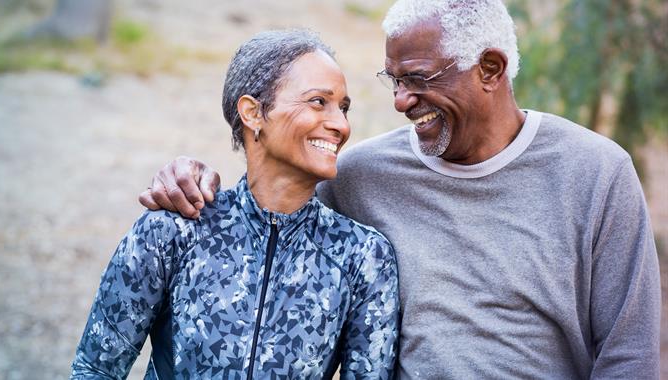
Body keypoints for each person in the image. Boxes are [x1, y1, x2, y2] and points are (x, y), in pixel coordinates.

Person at [140, 0, 661, 379]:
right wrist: (191, 179)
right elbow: (271, 218)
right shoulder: (364, 175)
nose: (401, 101)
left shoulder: (596, 173)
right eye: (394, 81)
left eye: (418, 79)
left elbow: (628, 355)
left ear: (490, 69)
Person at [71, 29, 399, 379]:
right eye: (319, 101)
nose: (340, 124)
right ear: (253, 113)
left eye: (343, 108)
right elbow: (95, 369)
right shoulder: (174, 230)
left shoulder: (363, 258)